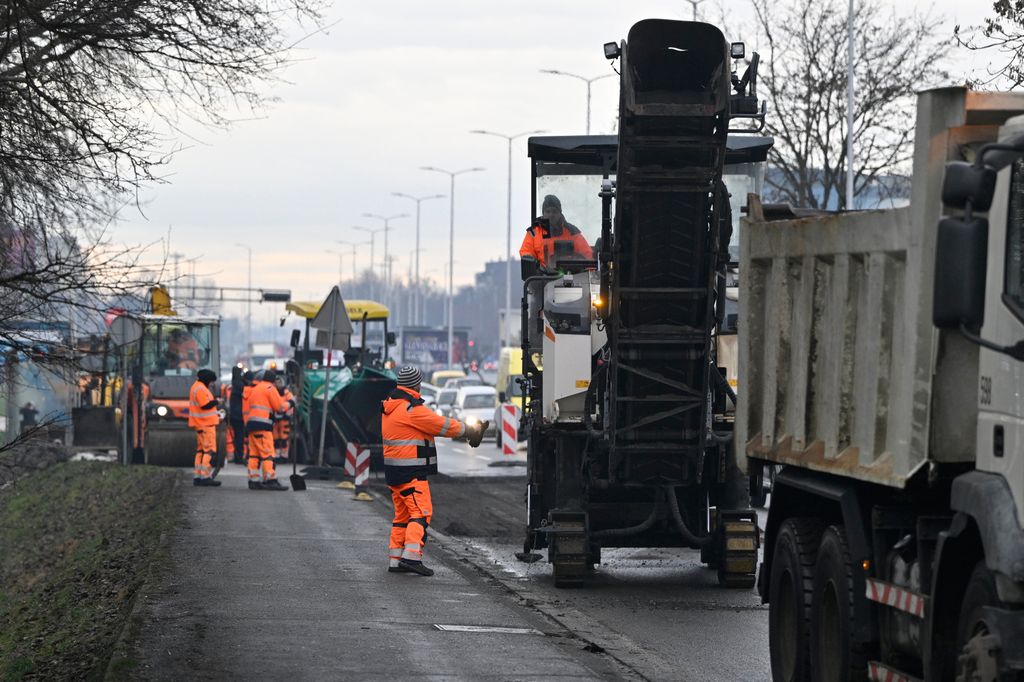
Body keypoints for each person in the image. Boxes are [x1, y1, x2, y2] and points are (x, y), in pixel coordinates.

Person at [381, 366, 487, 576]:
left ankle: (395, 560)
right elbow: (442, 425)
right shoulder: (411, 409)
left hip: (395, 473)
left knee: (402, 517)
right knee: (421, 513)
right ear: (415, 384)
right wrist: (471, 430)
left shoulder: (390, 407)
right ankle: (412, 557)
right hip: (411, 474)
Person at [246, 369, 295, 491]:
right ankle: (270, 480)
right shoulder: (269, 388)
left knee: (254, 455)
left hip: (252, 425)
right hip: (263, 426)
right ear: (272, 380)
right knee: (268, 454)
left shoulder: (256, 388)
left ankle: (254, 480)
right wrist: (290, 403)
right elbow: (279, 407)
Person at [519, 194, 594, 272]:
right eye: (548, 211)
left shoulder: (572, 232)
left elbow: (588, 256)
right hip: (543, 277)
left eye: (554, 211)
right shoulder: (533, 233)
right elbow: (526, 253)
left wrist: (587, 272)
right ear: (543, 213)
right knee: (533, 283)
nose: (551, 215)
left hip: (571, 276)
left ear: (560, 213)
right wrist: (537, 267)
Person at [188, 369, 222, 487]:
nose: (212, 384)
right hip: (206, 425)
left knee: (201, 451)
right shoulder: (201, 389)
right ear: (207, 379)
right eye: (212, 381)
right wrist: (216, 402)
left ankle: (198, 476)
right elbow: (205, 405)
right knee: (209, 451)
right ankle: (205, 476)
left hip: (200, 424)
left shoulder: (196, 387)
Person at [229, 368, 250, 464]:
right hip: (239, 416)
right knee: (240, 437)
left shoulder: (234, 384)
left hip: (234, 415)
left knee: (237, 437)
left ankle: (238, 456)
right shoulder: (240, 385)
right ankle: (239, 457)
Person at [272, 374, 294, 461]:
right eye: (276, 383)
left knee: (284, 438)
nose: (278, 384)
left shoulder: (287, 393)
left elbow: (292, 404)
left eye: (279, 383)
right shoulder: (273, 393)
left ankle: (284, 456)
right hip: (275, 419)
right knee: (275, 438)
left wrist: (287, 414)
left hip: (284, 419)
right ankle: (276, 455)